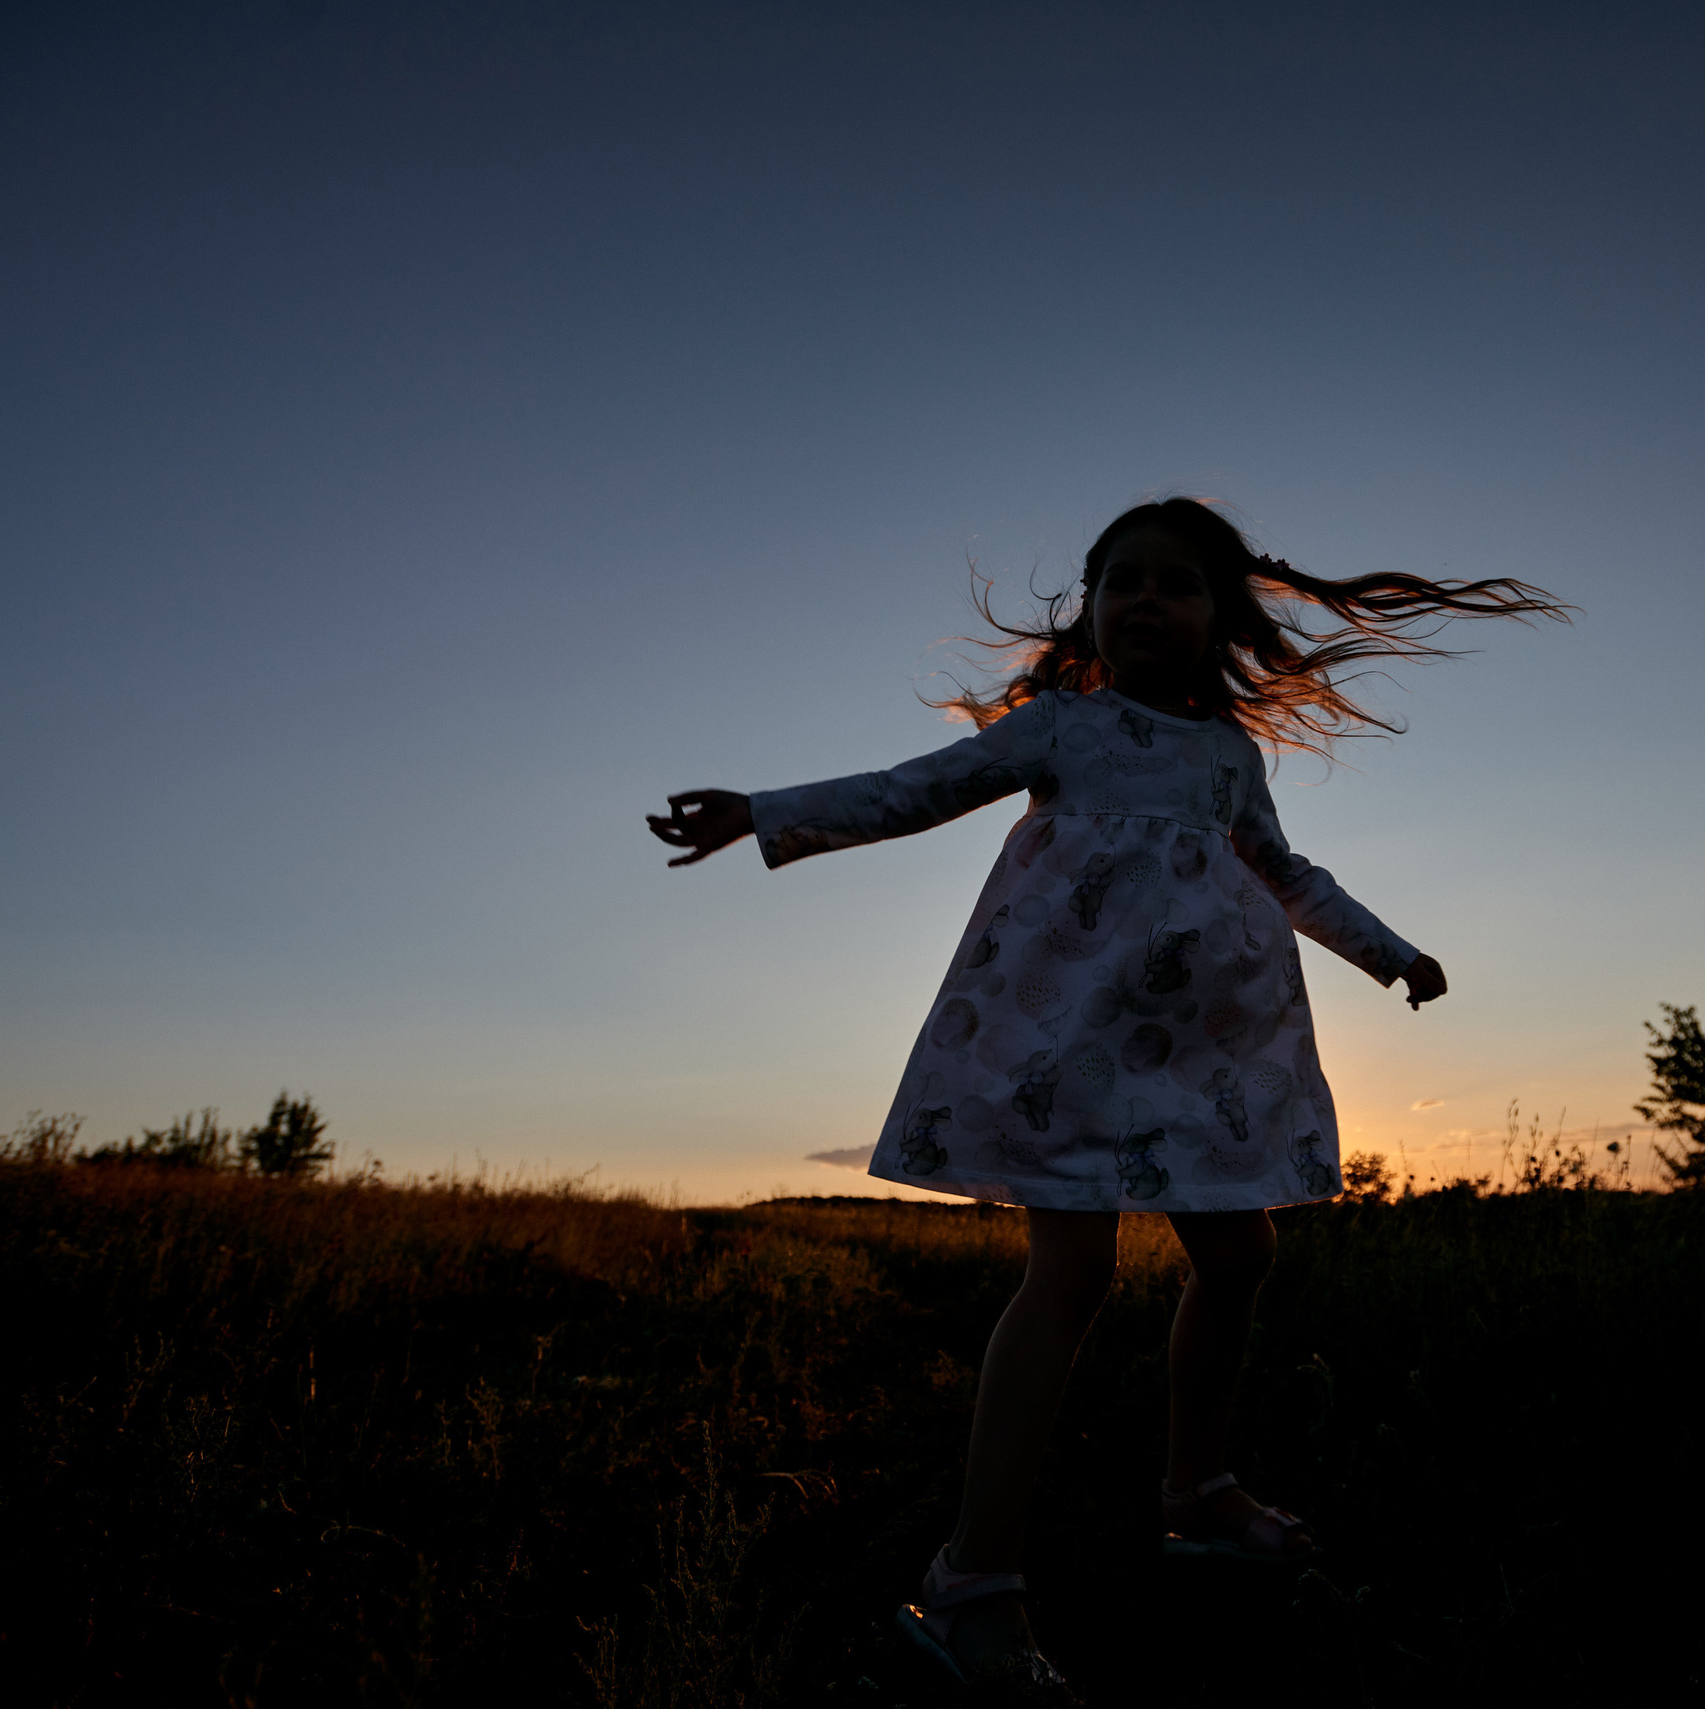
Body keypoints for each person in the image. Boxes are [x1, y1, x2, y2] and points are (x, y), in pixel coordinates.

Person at [646, 498, 1563, 1698]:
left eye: (1174, 583)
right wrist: (764, 811)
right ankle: (973, 1575)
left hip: (1205, 1050)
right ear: (1088, 606)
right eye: (1118, 579)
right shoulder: (1060, 728)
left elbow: (1279, 870)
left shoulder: (1229, 757)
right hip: (1064, 1038)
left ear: (1217, 613)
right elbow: (916, 784)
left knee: (1241, 1258)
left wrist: (1387, 949)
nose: (1143, 600)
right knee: (1070, 1274)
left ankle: (1196, 1488)